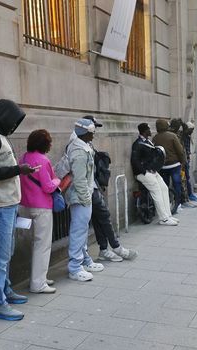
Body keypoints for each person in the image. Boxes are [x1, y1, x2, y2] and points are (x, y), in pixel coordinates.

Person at [0, 99, 36, 320]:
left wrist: (18, 170)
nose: (14, 125)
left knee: (8, 251)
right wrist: (18, 170)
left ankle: (5, 290)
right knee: (0, 254)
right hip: (0, 204)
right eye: (13, 121)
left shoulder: (1, 137)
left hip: (9, 202)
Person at [81, 115, 138, 262]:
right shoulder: (77, 144)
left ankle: (104, 249)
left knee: (99, 219)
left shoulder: (86, 142)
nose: (94, 133)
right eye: (93, 129)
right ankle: (116, 246)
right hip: (88, 188)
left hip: (93, 185)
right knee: (104, 216)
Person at [19, 129, 60, 294]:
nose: (50, 145)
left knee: (35, 245)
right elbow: (48, 186)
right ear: (44, 144)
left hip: (25, 205)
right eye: (49, 142)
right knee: (42, 246)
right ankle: (38, 284)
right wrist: (57, 179)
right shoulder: (43, 160)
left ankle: (40, 278)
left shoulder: (23, 157)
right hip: (42, 207)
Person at [65, 119, 105, 282]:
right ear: (85, 133)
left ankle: (85, 260)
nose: (93, 134)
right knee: (78, 231)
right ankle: (75, 267)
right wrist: (86, 199)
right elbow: (80, 180)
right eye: (92, 132)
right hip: (81, 196)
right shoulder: (79, 151)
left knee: (81, 231)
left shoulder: (82, 147)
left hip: (83, 195)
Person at [131, 122, 179, 226]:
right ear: (144, 131)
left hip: (152, 171)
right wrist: (145, 171)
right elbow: (134, 161)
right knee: (156, 191)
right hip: (143, 173)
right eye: (148, 129)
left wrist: (154, 168)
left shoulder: (148, 141)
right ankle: (163, 219)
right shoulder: (137, 144)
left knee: (164, 188)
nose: (150, 131)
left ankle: (168, 215)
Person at [152, 119, 187, 214]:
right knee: (177, 184)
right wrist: (182, 162)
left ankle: (167, 205)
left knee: (165, 186)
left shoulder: (155, 138)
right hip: (174, 165)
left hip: (162, 166)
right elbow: (180, 151)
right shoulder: (173, 136)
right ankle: (178, 204)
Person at [182, 122, 197, 202]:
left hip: (187, 159)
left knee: (187, 178)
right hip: (184, 160)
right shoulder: (184, 136)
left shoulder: (187, 136)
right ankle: (189, 195)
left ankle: (190, 194)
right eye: (192, 130)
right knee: (186, 178)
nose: (192, 131)